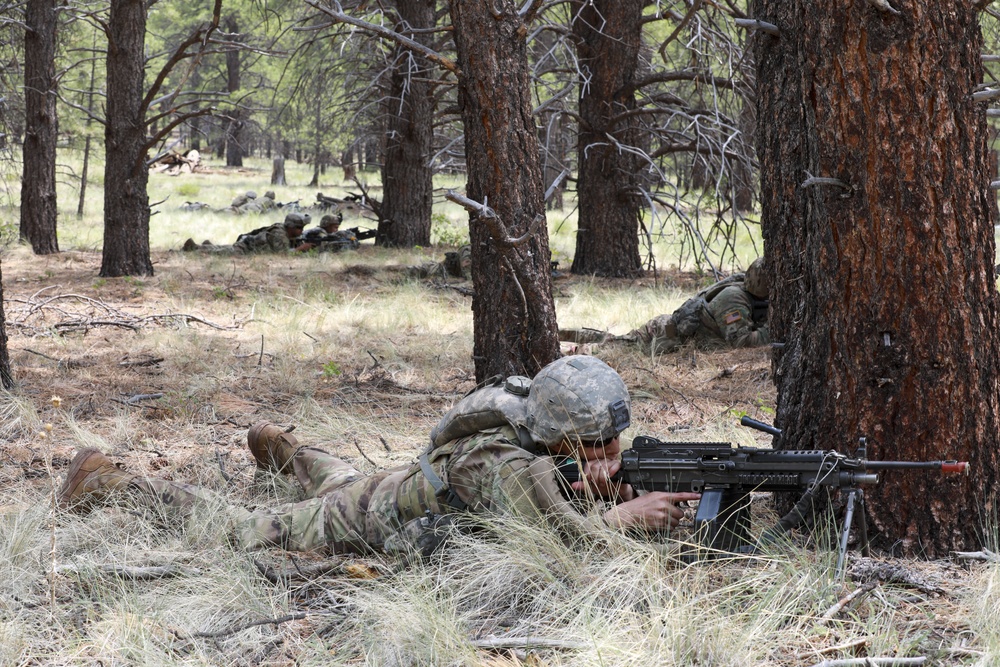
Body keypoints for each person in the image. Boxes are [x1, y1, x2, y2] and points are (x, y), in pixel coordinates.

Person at [58, 356, 700, 557]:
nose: (611, 455)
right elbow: (560, 540)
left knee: (345, 477)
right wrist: (624, 513)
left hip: (397, 485)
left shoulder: (537, 438)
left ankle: (287, 451)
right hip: (372, 518)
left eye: (614, 444)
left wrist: (598, 482)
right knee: (238, 530)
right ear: (560, 433)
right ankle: (110, 483)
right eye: (596, 446)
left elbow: (554, 493)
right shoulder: (505, 466)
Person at [561, 258, 770, 355]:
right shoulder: (734, 298)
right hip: (663, 336)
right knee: (607, 350)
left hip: (668, 331)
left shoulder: (745, 290)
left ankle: (563, 334)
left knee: (614, 340)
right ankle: (560, 350)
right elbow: (740, 342)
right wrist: (771, 330)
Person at [181, 213, 309, 254]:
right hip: (245, 249)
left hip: (246, 246)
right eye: (299, 227)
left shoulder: (283, 231)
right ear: (291, 226)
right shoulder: (279, 234)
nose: (301, 230)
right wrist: (300, 249)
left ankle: (206, 245)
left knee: (223, 249)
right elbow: (282, 255)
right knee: (222, 252)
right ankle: (195, 248)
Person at [295, 213, 362, 252]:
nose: (336, 230)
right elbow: (327, 245)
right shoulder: (320, 232)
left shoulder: (319, 230)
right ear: (326, 225)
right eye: (335, 227)